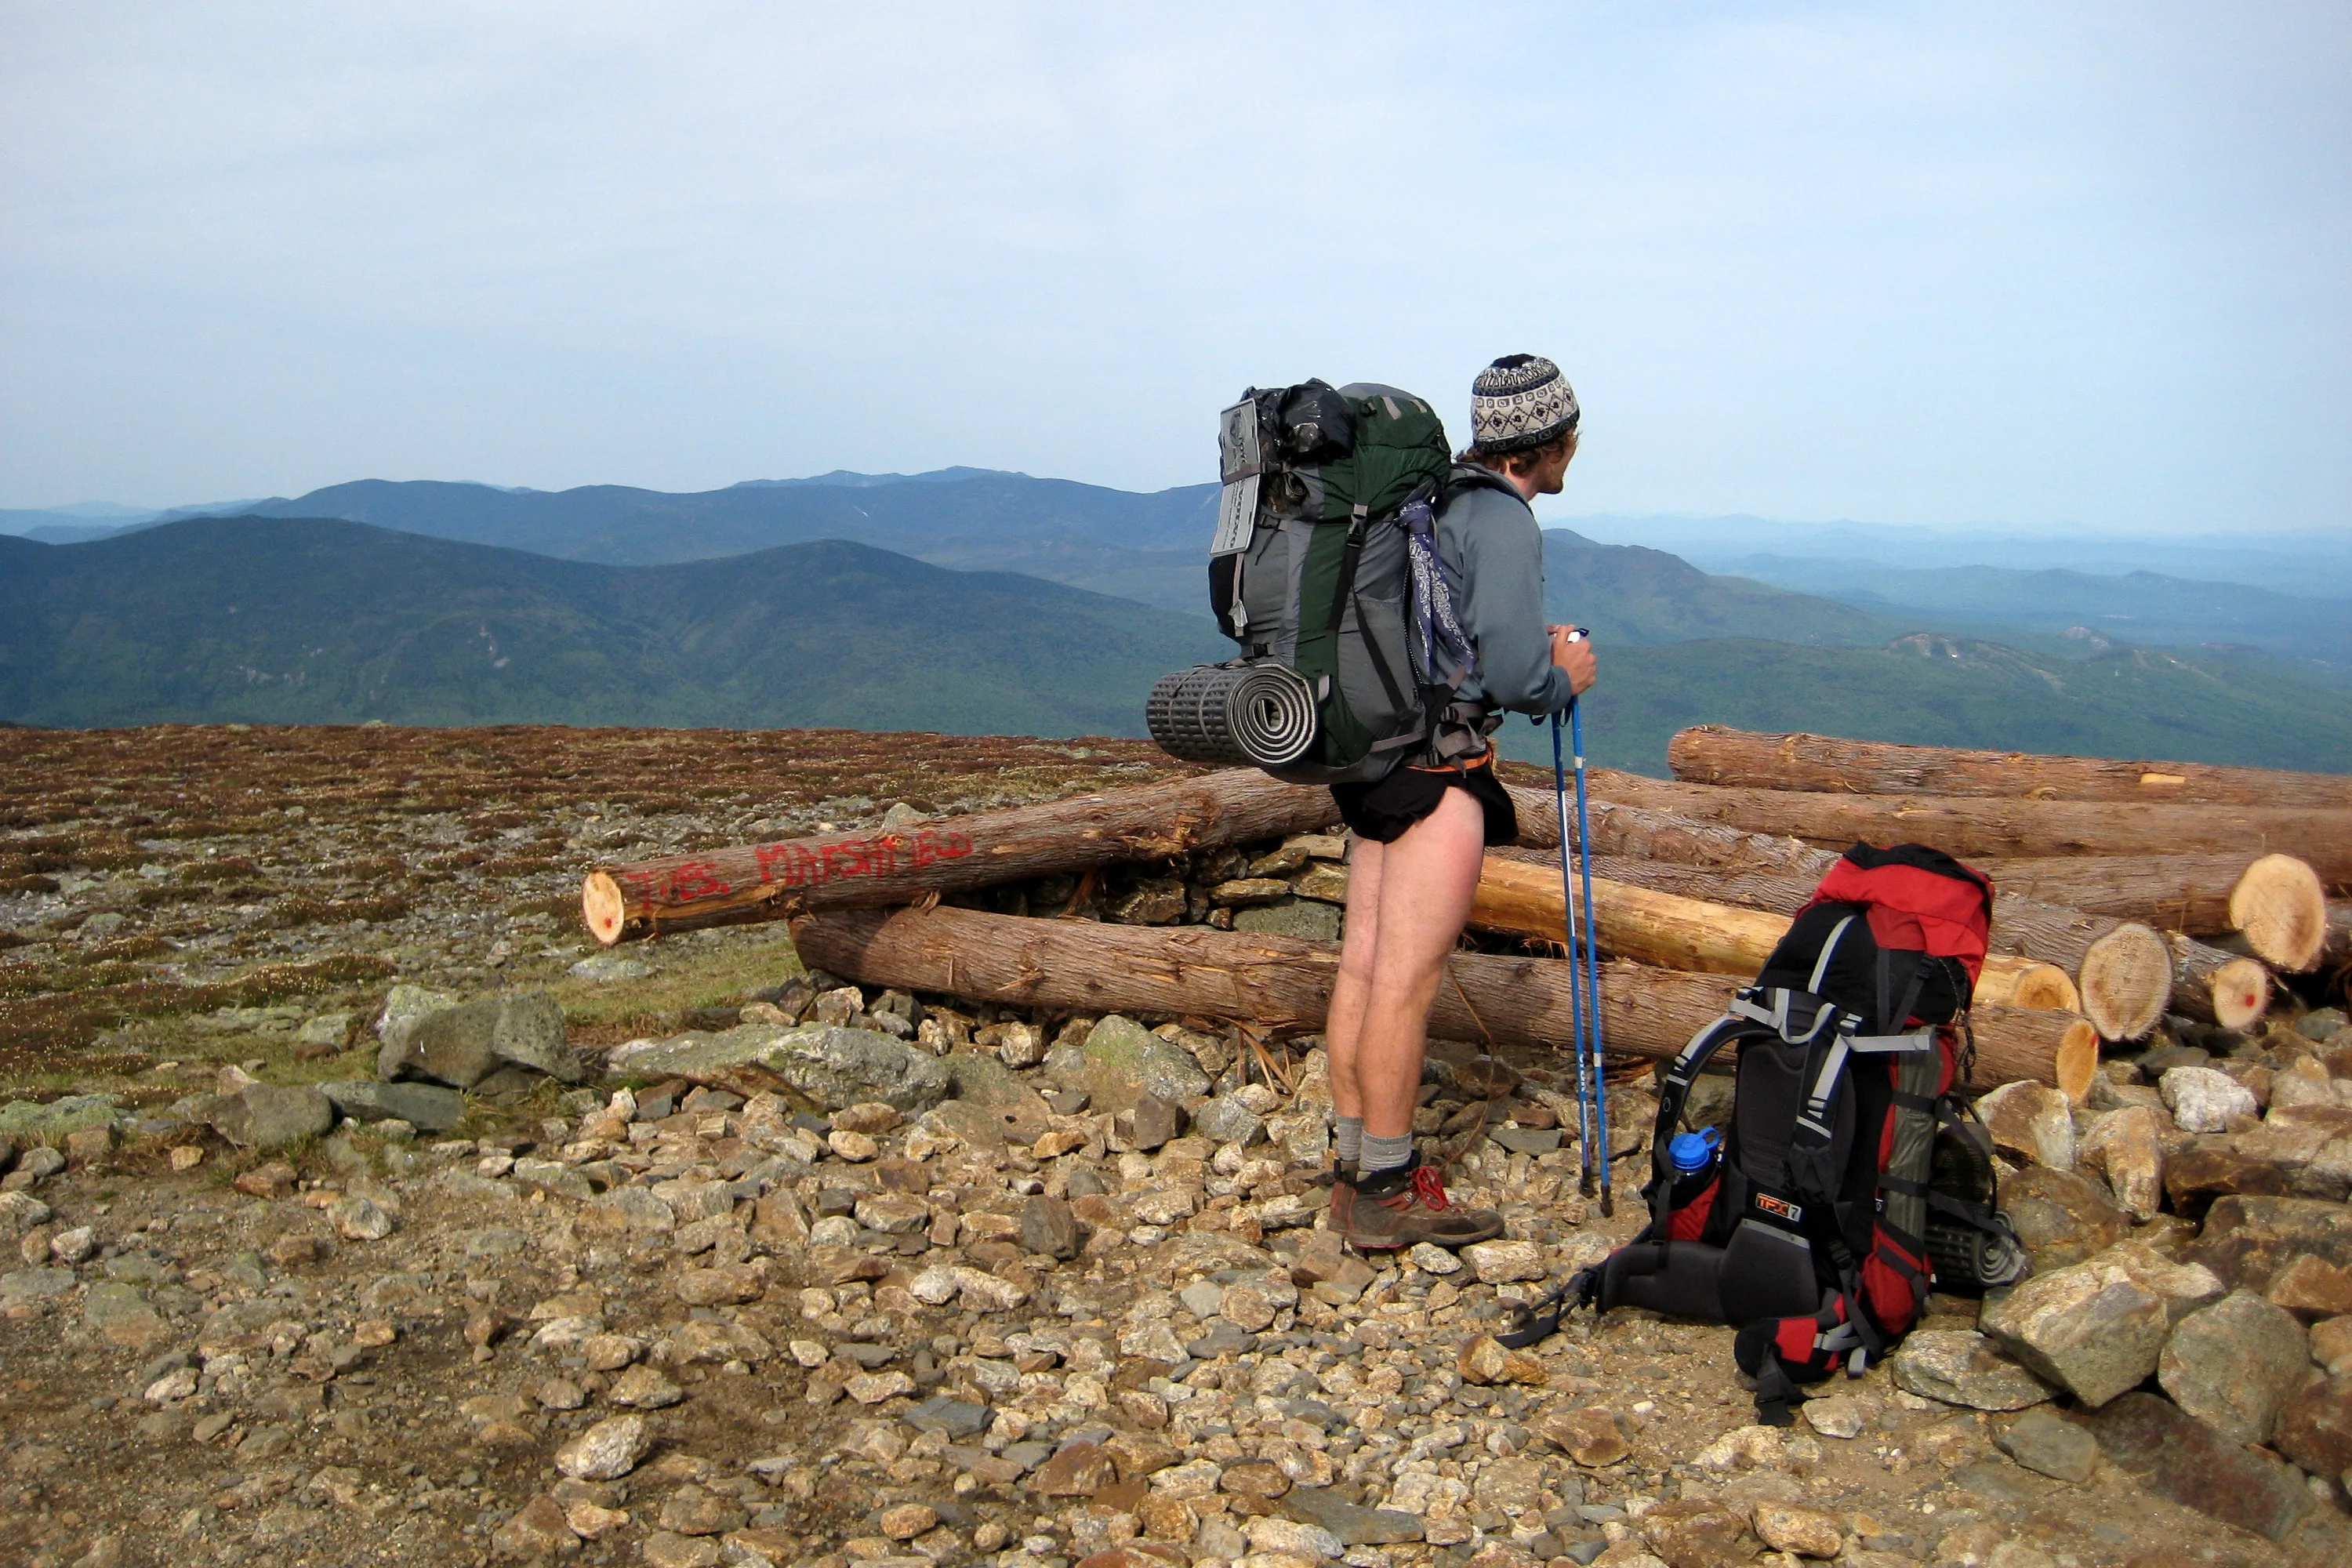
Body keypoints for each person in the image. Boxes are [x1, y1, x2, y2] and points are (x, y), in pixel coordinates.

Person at [1324, 354, 1598, 1250]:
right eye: (1571, 434)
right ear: (1545, 440)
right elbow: (1520, 676)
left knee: (1365, 968)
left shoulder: (1429, 498)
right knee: (1406, 985)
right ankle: (1392, 1190)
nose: (1576, 449)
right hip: (1441, 771)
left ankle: (1353, 1168)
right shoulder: (1505, 520)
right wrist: (1565, 674)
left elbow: (1459, 630)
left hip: (1373, 756)